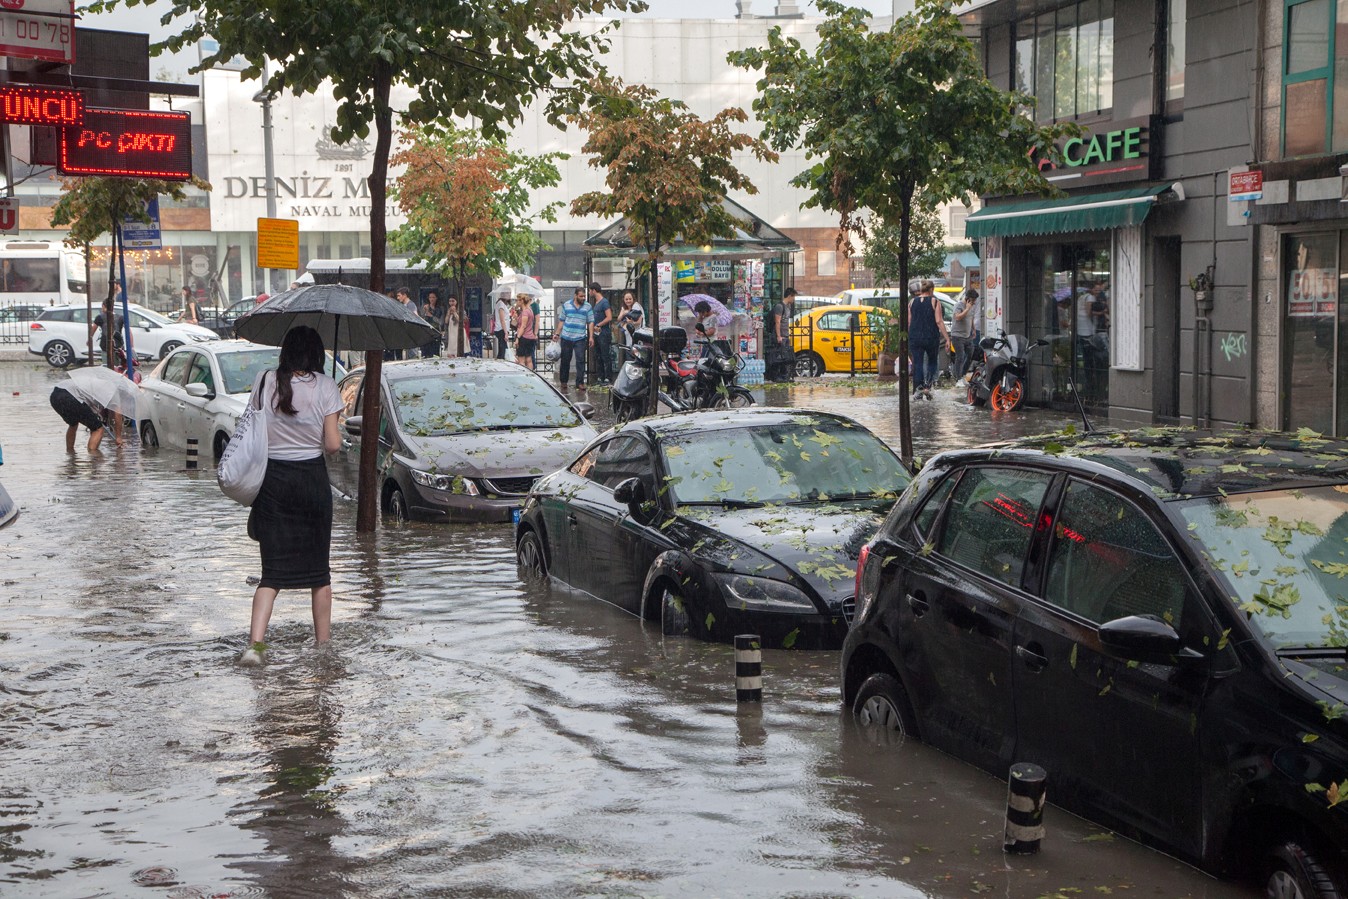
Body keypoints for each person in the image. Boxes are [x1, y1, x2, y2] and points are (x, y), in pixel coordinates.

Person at [239, 325, 344, 666]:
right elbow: (331, 445)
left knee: (272, 574)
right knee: (319, 574)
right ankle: (323, 649)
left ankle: (255, 647)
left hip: (272, 483)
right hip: (310, 483)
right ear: (316, 353)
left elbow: (251, 428)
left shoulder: (264, 380)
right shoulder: (326, 386)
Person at [49, 377, 121, 452]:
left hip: (55, 395)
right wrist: (118, 437)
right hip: (71, 396)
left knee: (73, 424)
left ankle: (70, 454)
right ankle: (93, 458)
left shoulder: (97, 383)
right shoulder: (113, 390)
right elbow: (118, 413)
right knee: (98, 429)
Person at [909, 279, 949, 401]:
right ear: (931, 290)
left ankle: (919, 389)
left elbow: (909, 321)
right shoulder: (934, 301)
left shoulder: (911, 302)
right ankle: (928, 387)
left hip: (915, 336)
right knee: (932, 362)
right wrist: (947, 338)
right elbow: (938, 321)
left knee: (918, 362)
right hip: (930, 336)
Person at [551, 287, 594, 391]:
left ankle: (579, 382)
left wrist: (591, 336)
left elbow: (591, 322)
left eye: (584, 296)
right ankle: (564, 382)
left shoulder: (587, 307)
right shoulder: (566, 305)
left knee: (580, 360)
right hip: (567, 337)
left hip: (580, 338)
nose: (583, 298)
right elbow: (562, 321)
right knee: (565, 360)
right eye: (581, 296)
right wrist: (557, 333)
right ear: (575, 295)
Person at [765, 288, 796, 381]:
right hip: (780, 336)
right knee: (777, 357)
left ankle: (784, 375)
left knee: (785, 357)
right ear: (789, 296)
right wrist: (779, 336)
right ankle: (774, 375)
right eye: (793, 297)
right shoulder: (780, 306)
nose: (794, 300)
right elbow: (777, 322)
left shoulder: (788, 307)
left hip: (785, 335)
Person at [950, 288, 979, 384]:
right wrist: (967, 309)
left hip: (967, 335)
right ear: (968, 299)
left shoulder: (971, 307)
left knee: (970, 354)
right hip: (957, 336)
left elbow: (971, 318)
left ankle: (962, 374)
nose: (974, 303)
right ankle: (958, 378)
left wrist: (973, 329)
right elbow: (957, 317)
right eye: (973, 300)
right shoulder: (958, 305)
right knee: (960, 356)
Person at [589, 282, 613, 385]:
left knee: (605, 355)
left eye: (590, 290)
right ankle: (600, 376)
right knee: (598, 355)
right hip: (597, 333)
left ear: (594, 290)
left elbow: (609, 317)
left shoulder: (604, 302)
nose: (589, 292)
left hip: (604, 333)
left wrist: (599, 324)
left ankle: (608, 377)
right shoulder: (596, 302)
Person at [514, 293, 537, 370]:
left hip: (524, 337)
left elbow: (523, 326)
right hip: (530, 337)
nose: (516, 302)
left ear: (522, 301)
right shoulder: (530, 310)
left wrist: (518, 337)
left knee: (521, 360)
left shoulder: (525, 312)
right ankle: (531, 376)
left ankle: (523, 376)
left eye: (517, 300)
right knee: (529, 359)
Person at [419, 290, 445, 358]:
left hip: (436, 331)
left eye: (433, 297)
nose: (432, 299)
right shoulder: (425, 307)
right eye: (430, 297)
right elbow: (421, 318)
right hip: (426, 331)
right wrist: (426, 311)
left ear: (436, 298)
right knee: (426, 351)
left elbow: (441, 322)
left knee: (435, 351)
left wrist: (432, 316)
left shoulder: (440, 308)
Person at [492, 291, 512, 360]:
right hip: (501, 329)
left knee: (502, 349)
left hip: (502, 329)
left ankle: (500, 362)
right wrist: (506, 332)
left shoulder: (502, 304)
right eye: (508, 293)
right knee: (503, 350)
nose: (510, 295)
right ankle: (500, 364)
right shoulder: (501, 304)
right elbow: (502, 320)